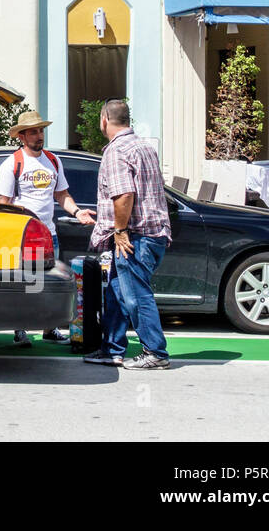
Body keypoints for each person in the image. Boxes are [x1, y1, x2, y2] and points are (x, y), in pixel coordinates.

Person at [83, 99, 172, 370]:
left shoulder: (116, 150)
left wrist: (120, 231)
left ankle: (155, 352)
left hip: (135, 236)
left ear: (104, 119)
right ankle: (112, 349)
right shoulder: (144, 146)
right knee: (118, 293)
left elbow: (124, 195)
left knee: (136, 296)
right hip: (152, 233)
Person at [0, 109, 92, 347]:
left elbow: (62, 194)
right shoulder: (11, 164)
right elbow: (3, 204)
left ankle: (50, 329)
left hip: (50, 236)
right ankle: (20, 330)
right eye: (33, 132)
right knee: (24, 285)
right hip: (25, 238)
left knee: (50, 285)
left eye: (41, 131)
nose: (39, 136)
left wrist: (77, 212)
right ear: (21, 136)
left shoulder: (53, 161)